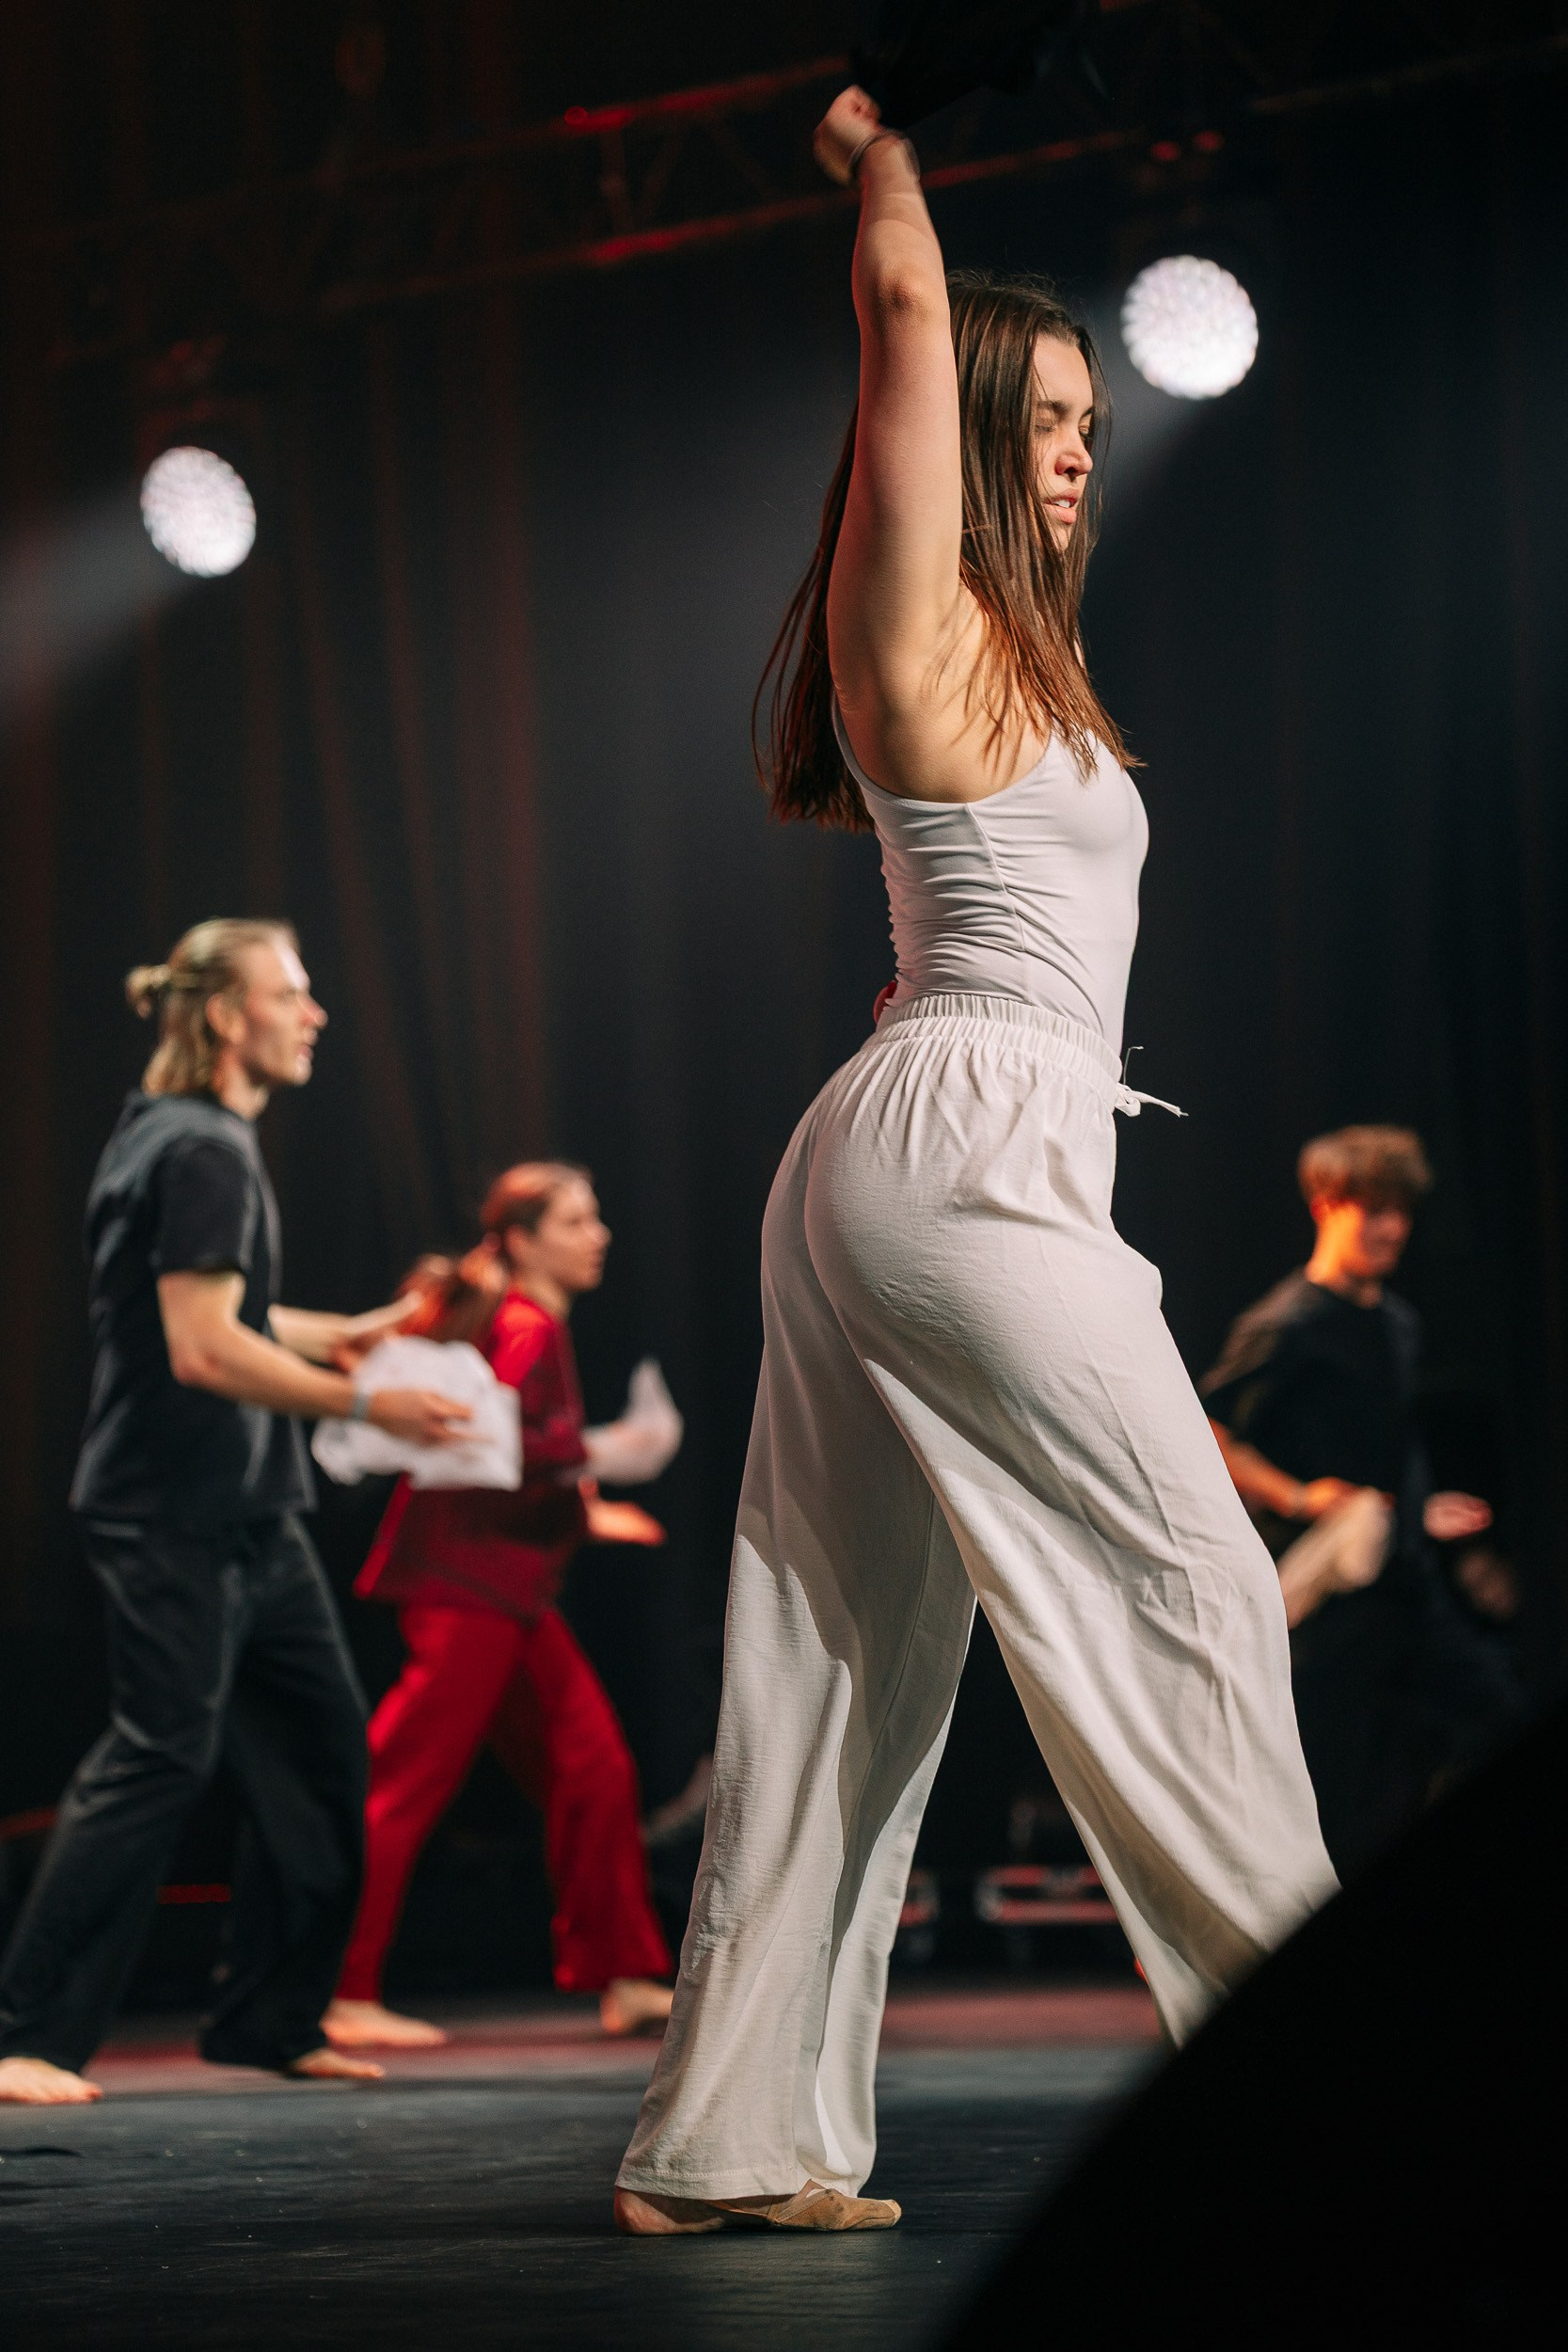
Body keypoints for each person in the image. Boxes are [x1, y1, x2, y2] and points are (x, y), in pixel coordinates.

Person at [612, 86, 1336, 2236]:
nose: (1079, 449)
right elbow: (909, 316)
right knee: (1193, 1583)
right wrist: (882, 157)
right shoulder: (913, 618)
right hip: (961, 1149)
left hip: (928, 1135)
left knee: (843, 1654)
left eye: (1092, 421)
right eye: (1046, 418)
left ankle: (726, 2143)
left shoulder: (1018, 657)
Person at [0, 920, 471, 2108]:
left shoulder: (178, 1132)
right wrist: (367, 1399)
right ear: (224, 1015)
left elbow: (224, 1310)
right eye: (291, 993)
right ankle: (24, 2032)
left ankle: (269, 2017)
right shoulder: (202, 1149)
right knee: (160, 1752)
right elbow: (204, 1349)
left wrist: (343, 1333)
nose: (315, 1014)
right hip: (171, 1511)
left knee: (320, 1753)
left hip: (250, 1510)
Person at [321, 1163, 675, 2052]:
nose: (597, 1236)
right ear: (522, 1239)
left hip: (505, 1588)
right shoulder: (523, 1324)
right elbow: (495, 1440)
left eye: (595, 1218)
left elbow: (506, 1452)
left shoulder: (523, 1321)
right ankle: (337, 1985)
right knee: (401, 1783)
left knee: (594, 1769)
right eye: (576, 1222)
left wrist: (584, 1500)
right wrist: (604, 1454)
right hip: (464, 1587)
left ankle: (628, 1975)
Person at [1201, 1125, 1515, 1876]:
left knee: (1493, 1716)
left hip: (1406, 1585)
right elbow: (1208, 1432)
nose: (1392, 1228)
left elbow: (1387, 1445)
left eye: (1401, 1211)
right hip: (1329, 1600)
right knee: (1325, 1794)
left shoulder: (1397, 1324)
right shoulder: (1286, 1324)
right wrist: (1297, 1494)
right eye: (1373, 1209)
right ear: (1325, 1206)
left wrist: (1419, 1510)